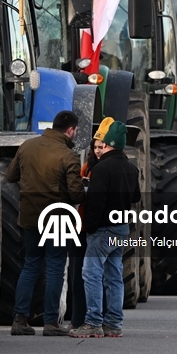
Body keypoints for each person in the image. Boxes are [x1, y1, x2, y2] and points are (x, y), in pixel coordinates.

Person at [6, 110, 86, 336]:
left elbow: (10, 176)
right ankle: (50, 321)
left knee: (31, 264)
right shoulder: (67, 155)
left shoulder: (27, 146)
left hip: (31, 217)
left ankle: (19, 319)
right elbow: (77, 194)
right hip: (57, 219)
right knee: (55, 268)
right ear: (70, 130)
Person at [70, 118, 140, 338]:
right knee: (114, 276)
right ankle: (114, 324)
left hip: (102, 229)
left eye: (102, 144)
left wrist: (88, 226)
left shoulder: (101, 169)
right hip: (121, 227)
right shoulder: (131, 168)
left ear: (109, 143)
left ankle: (92, 322)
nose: (99, 148)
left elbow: (96, 203)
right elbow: (136, 196)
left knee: (91, 274)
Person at [67, 138, 103, 329]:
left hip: (97, 227)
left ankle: (97, 317)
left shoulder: (107, 168)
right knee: (77, 274)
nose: (98, 151)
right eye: (95, 147)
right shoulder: (87, 167)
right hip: (80, 225)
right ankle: (78, 318)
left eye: (101, 147)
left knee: (95, 274)